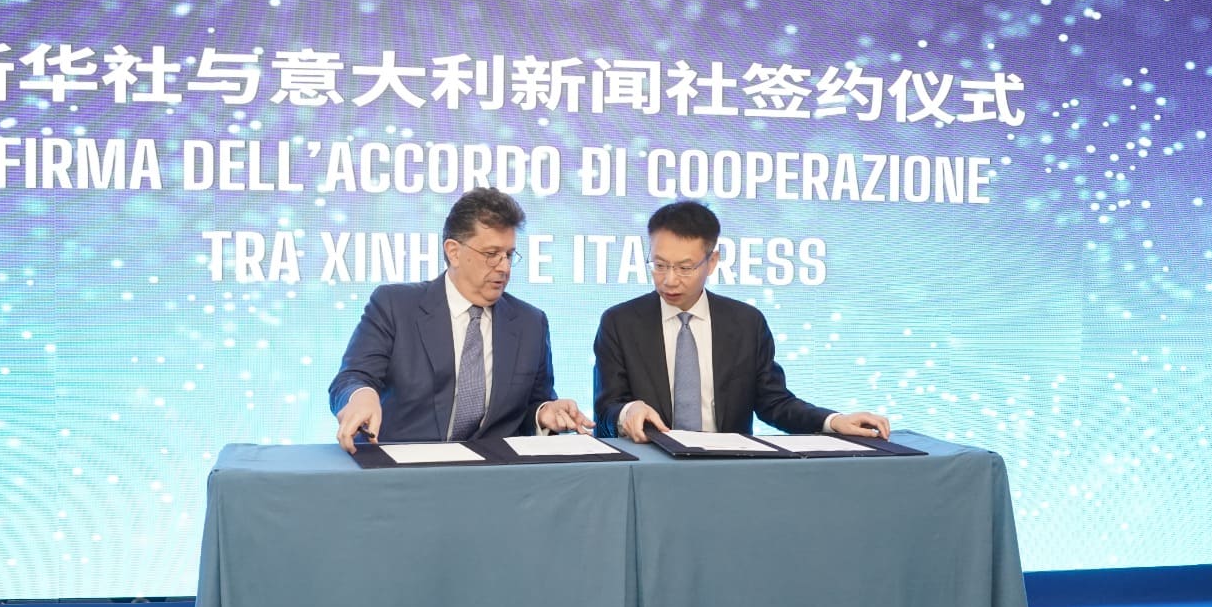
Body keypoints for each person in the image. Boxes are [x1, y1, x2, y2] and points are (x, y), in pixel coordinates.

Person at [593, 200, 892, 442]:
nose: (669, 279)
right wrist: (627, 412)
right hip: (650, 467)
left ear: (712, 261)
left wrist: (832, 421)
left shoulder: (746, 324)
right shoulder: (620, 323)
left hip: (729, 470)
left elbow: (774, 402)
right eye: (659, 265)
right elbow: (606, 409)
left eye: (685, 268)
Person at [330, 188, 593, 452]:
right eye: (491, 254)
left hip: (494, 471)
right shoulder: (395, 306)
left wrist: (544, 413)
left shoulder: (530, 323)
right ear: (453, 252)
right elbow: (352, 378)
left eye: (509, 255)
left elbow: (531, 406)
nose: (504, 267)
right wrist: (361, 395)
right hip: (402, 468)